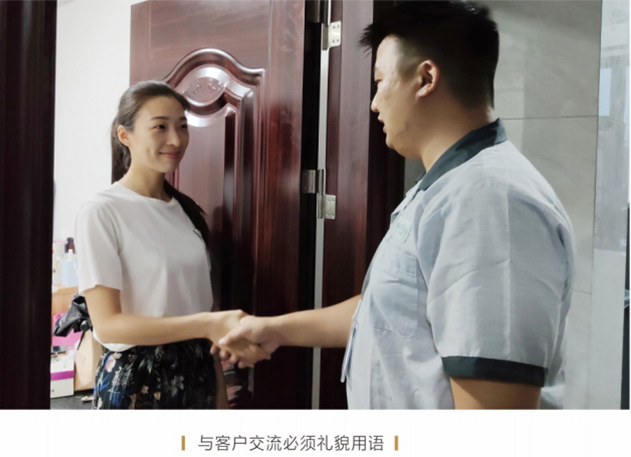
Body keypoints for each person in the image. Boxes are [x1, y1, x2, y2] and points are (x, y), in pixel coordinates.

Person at [217, 1, 574, 409]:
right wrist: (276, 330)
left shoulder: (489, 203)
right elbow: (392, 312)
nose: (373, 104)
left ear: (425, 78)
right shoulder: (445, 188)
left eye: (380, 81)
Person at [75, 81, 265, 409]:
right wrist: (206, 325)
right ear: (125, 135)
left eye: (182, 126)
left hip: (198, 369)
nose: (175, 140)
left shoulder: (185, 211)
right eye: (160, 127)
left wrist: (219, 396)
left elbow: (200, 310)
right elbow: (108, 324)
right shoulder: (102, 211)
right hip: (139, 380)